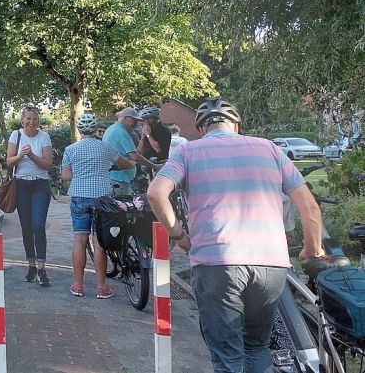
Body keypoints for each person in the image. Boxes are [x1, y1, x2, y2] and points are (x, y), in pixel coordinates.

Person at [147, 97, 325, 373]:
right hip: (270, 264)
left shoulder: (188, 152)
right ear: (237, 126)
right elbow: (309, 207)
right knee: (256, 347)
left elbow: (156, 193)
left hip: (217, 262)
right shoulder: (270, 149)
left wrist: (178, 233)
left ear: (202, 129)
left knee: (227, 357)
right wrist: (312, 249)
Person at [61, 114, 135, 299]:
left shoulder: (70, 149)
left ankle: (78, 285)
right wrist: (130, 163)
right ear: (95, 130)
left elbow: (66, 176)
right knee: (99, 242)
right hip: (101, 198)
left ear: (79, 130)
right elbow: (123, 163)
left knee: (80, 239)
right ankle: (101, 287)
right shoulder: (105, 147)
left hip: (79, 196)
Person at [5, 106, 54, 285]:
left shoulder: (44, 137)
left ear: (38, 121)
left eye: (34, 119)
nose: (31, 122)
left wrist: (32, 155)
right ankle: (31, 265)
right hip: (21, 184)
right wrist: (20, 155)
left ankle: (42, 267)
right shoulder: (15, 135)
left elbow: (48, 165)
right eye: (28, 119)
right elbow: (9, 161)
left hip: (40, 184)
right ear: (22, 120)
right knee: (26, 226)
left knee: (38, 225)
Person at [102, 108, 157, 195]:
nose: (136, 124)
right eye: (134, 120)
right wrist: (154, 166)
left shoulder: (111, 129)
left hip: (112, 175)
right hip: (121, 177)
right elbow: (135, 156)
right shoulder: (121, 133)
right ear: (125, 118)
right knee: (122, 206)